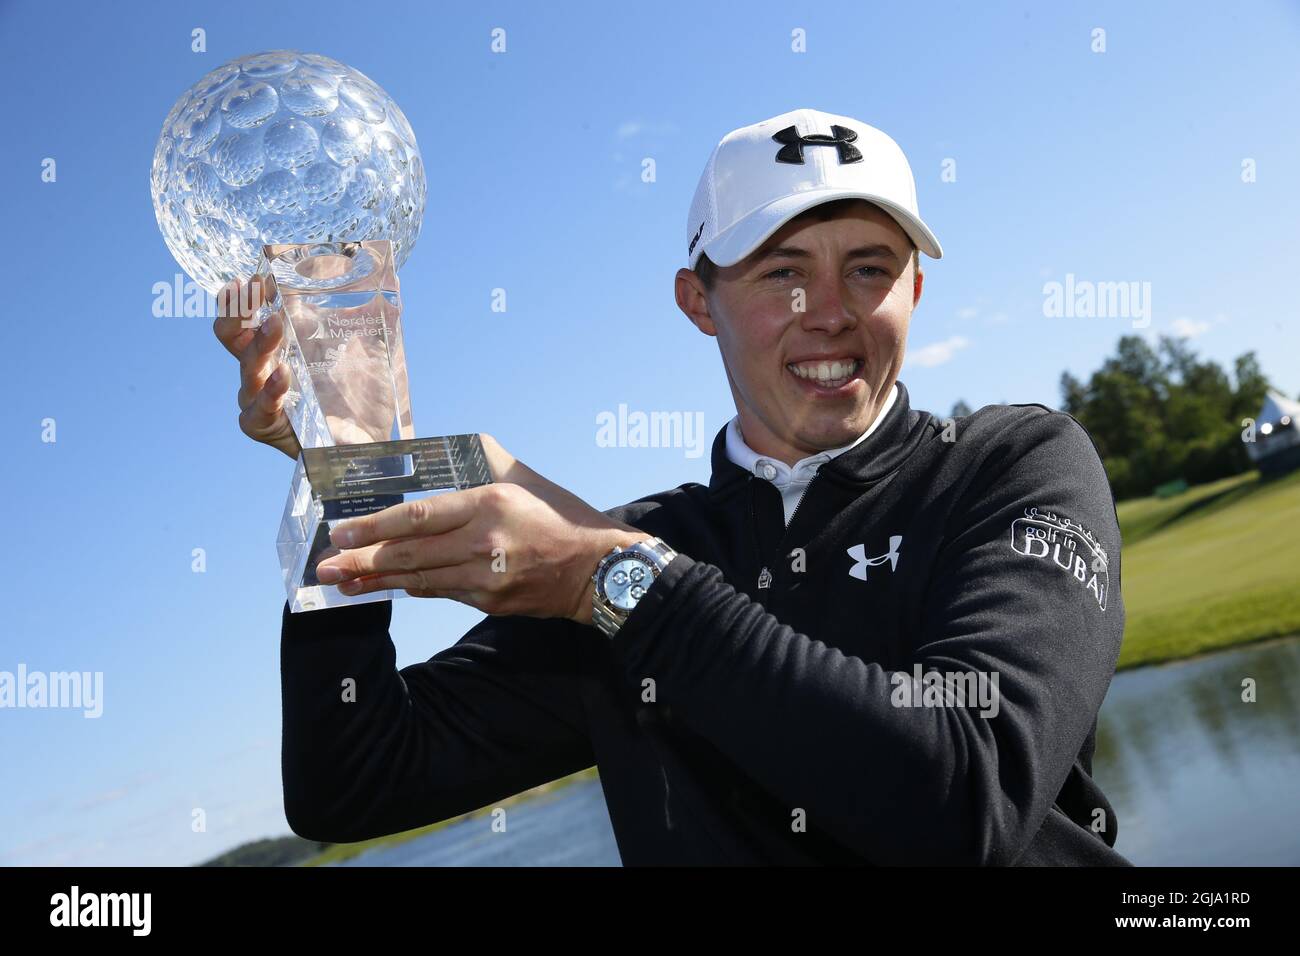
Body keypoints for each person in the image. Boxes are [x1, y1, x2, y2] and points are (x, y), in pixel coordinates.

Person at [213, 108, 1131, 865]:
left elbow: (966, 802)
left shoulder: (1014, 464)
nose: (834, 312)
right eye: (783, 272)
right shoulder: (633, 550)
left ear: (915, 292)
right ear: (699, 301)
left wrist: (615, 586)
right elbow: (358, 778)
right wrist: (350, 471)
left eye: (869, 267)